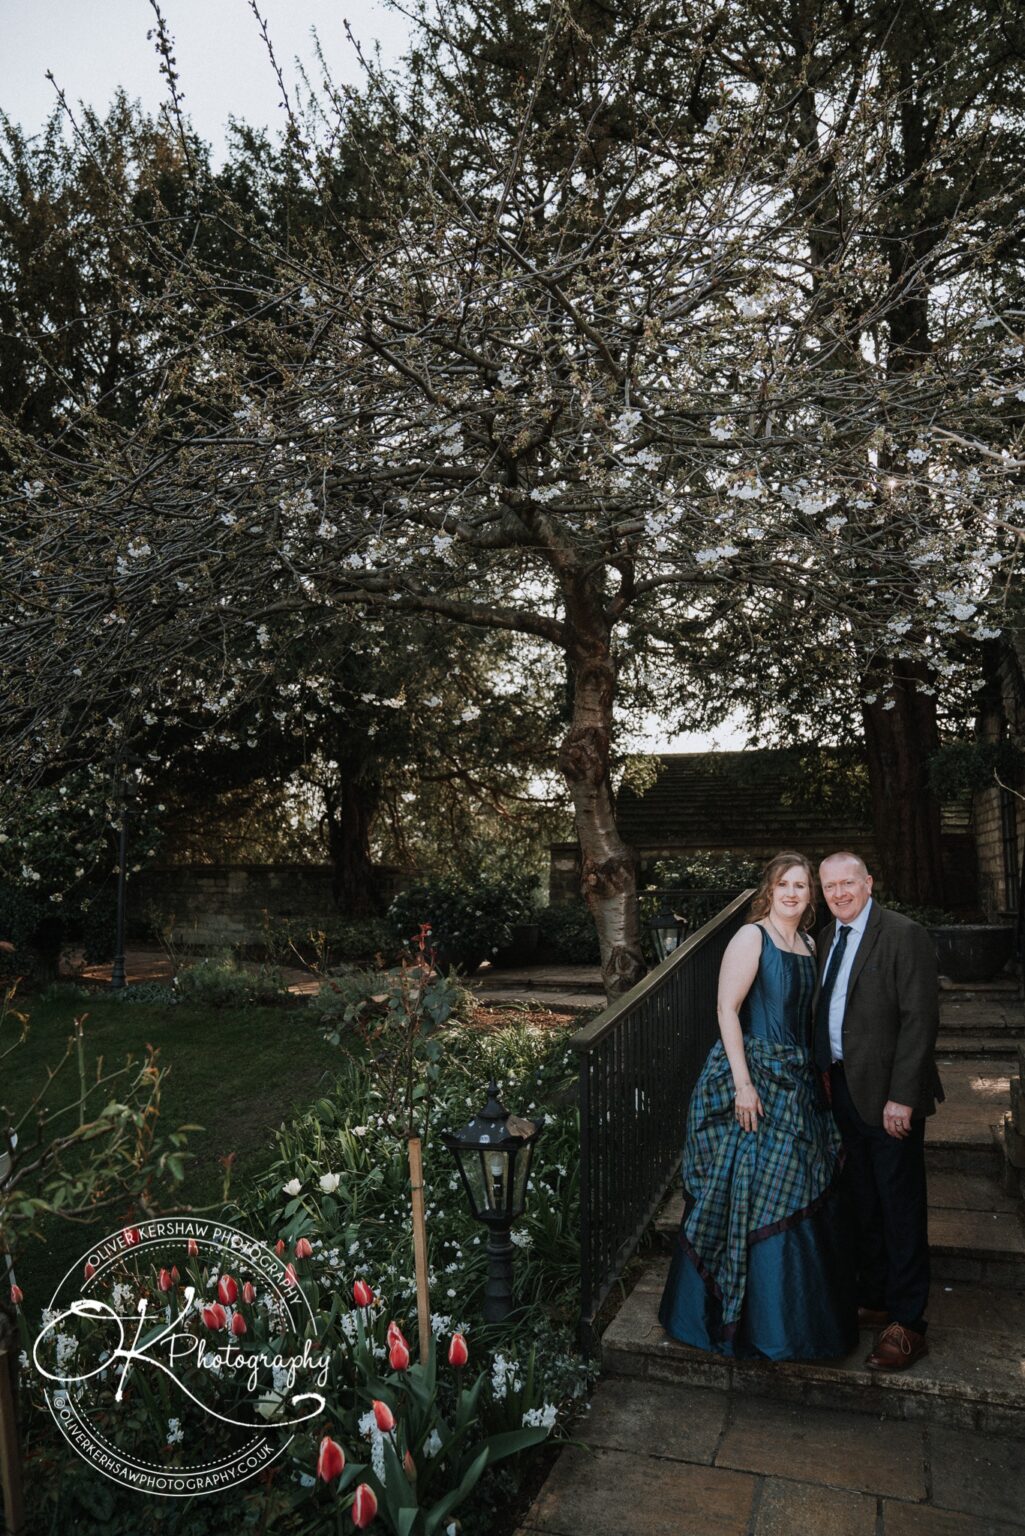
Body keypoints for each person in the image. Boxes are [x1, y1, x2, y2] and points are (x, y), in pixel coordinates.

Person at [659, 852, 857, 1360]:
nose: (793, 892)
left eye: (801, 885)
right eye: (784, 884)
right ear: (769, 890)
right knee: (749, 1189)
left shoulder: (810, 943)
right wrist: (744, 1084)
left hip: (799, 1082)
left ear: (811, 895)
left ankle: (795, 1320)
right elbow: (727, 1010)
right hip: (752, 1075)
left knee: (798, 1184)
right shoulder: (753, 937)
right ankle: (747, 1323)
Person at [816, 852, 942, 1371]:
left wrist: (903, 1095)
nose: (839, 893)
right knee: (861, 1199)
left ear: (869, 882)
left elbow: (920, 1019)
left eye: (848, 882)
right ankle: (877, 1296)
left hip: (889, 1094)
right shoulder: (825, 938)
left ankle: (909, 1321)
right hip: (841, 1088)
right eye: (830, 887)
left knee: (899, 1203)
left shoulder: (903, 933)